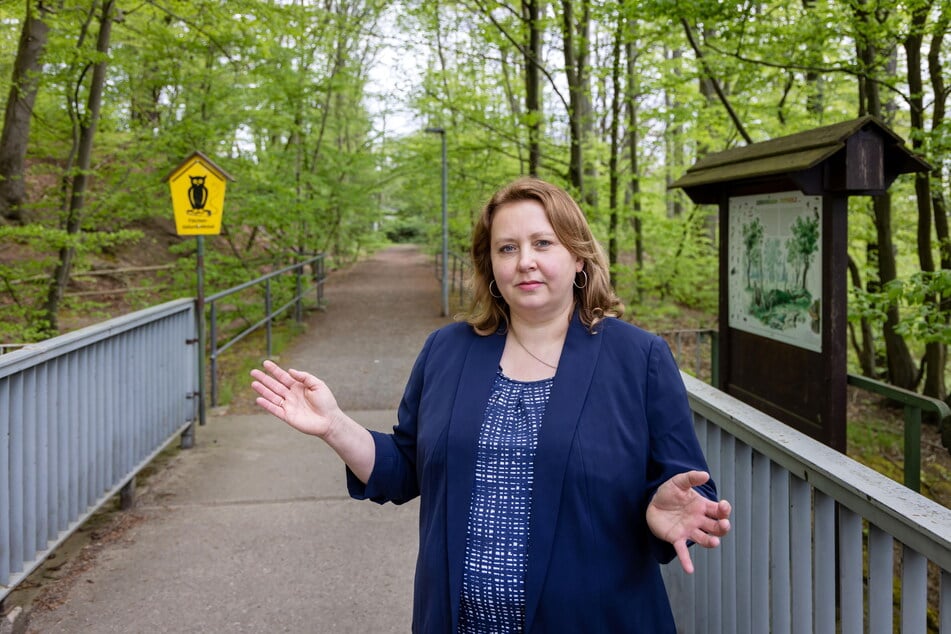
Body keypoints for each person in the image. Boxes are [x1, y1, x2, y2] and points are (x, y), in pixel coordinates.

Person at [251, 176, 732, 633]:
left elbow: (689, 489)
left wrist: (664, 510)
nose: (525, 261)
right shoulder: (448, 350)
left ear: (579, 258)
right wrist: (334, 425)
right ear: (491, 266)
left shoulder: (638, 358)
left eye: (543, 243)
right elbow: (406, 466)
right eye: (508, 248)